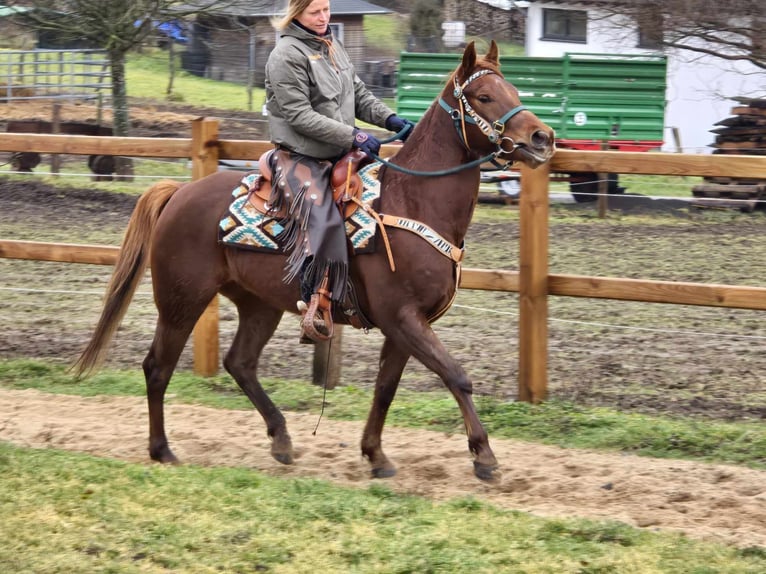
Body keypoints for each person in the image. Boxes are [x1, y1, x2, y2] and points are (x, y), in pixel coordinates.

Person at [264, 0, 414, 343]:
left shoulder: (332, 46)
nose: (323, 18)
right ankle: (317, 303)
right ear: (295, 13)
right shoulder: (286, 55)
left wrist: (389, 119)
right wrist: (354, 135)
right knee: (325, 219)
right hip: (301, 157)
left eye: (327, 9)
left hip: (340, 154)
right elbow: (299, 115)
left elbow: (358, 94)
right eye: (315, 12)